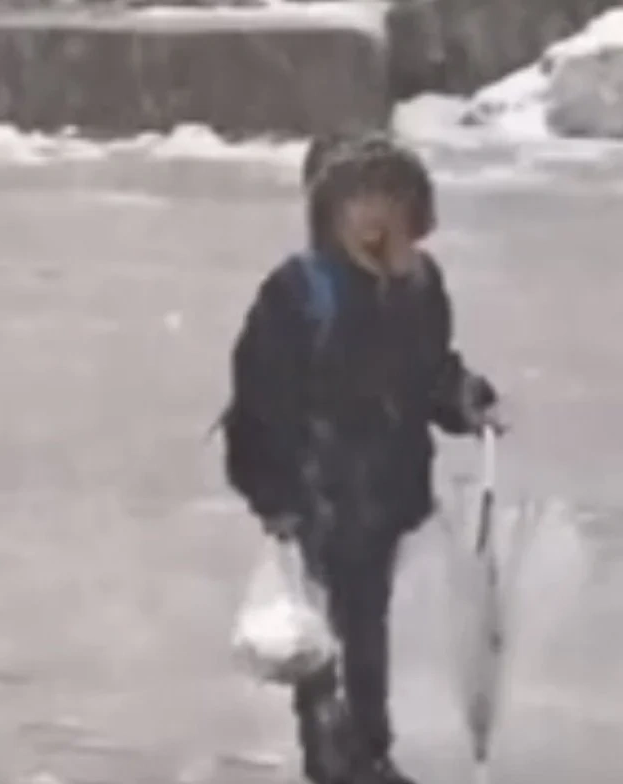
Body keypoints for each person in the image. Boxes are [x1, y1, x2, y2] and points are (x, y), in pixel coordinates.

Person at [220, 132, 502, 784]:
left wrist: (463, 400)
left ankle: (362, 748)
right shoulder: (297, 293)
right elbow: (259, 399)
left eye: (392, 202)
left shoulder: (419, 286)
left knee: (363, 621)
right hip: (318, 487)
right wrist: (277, 494)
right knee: (331, 623)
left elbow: (430, 371)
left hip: (386, 488)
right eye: (360, 202)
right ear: (331, 213)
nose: (376, 220)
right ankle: (339, 752)